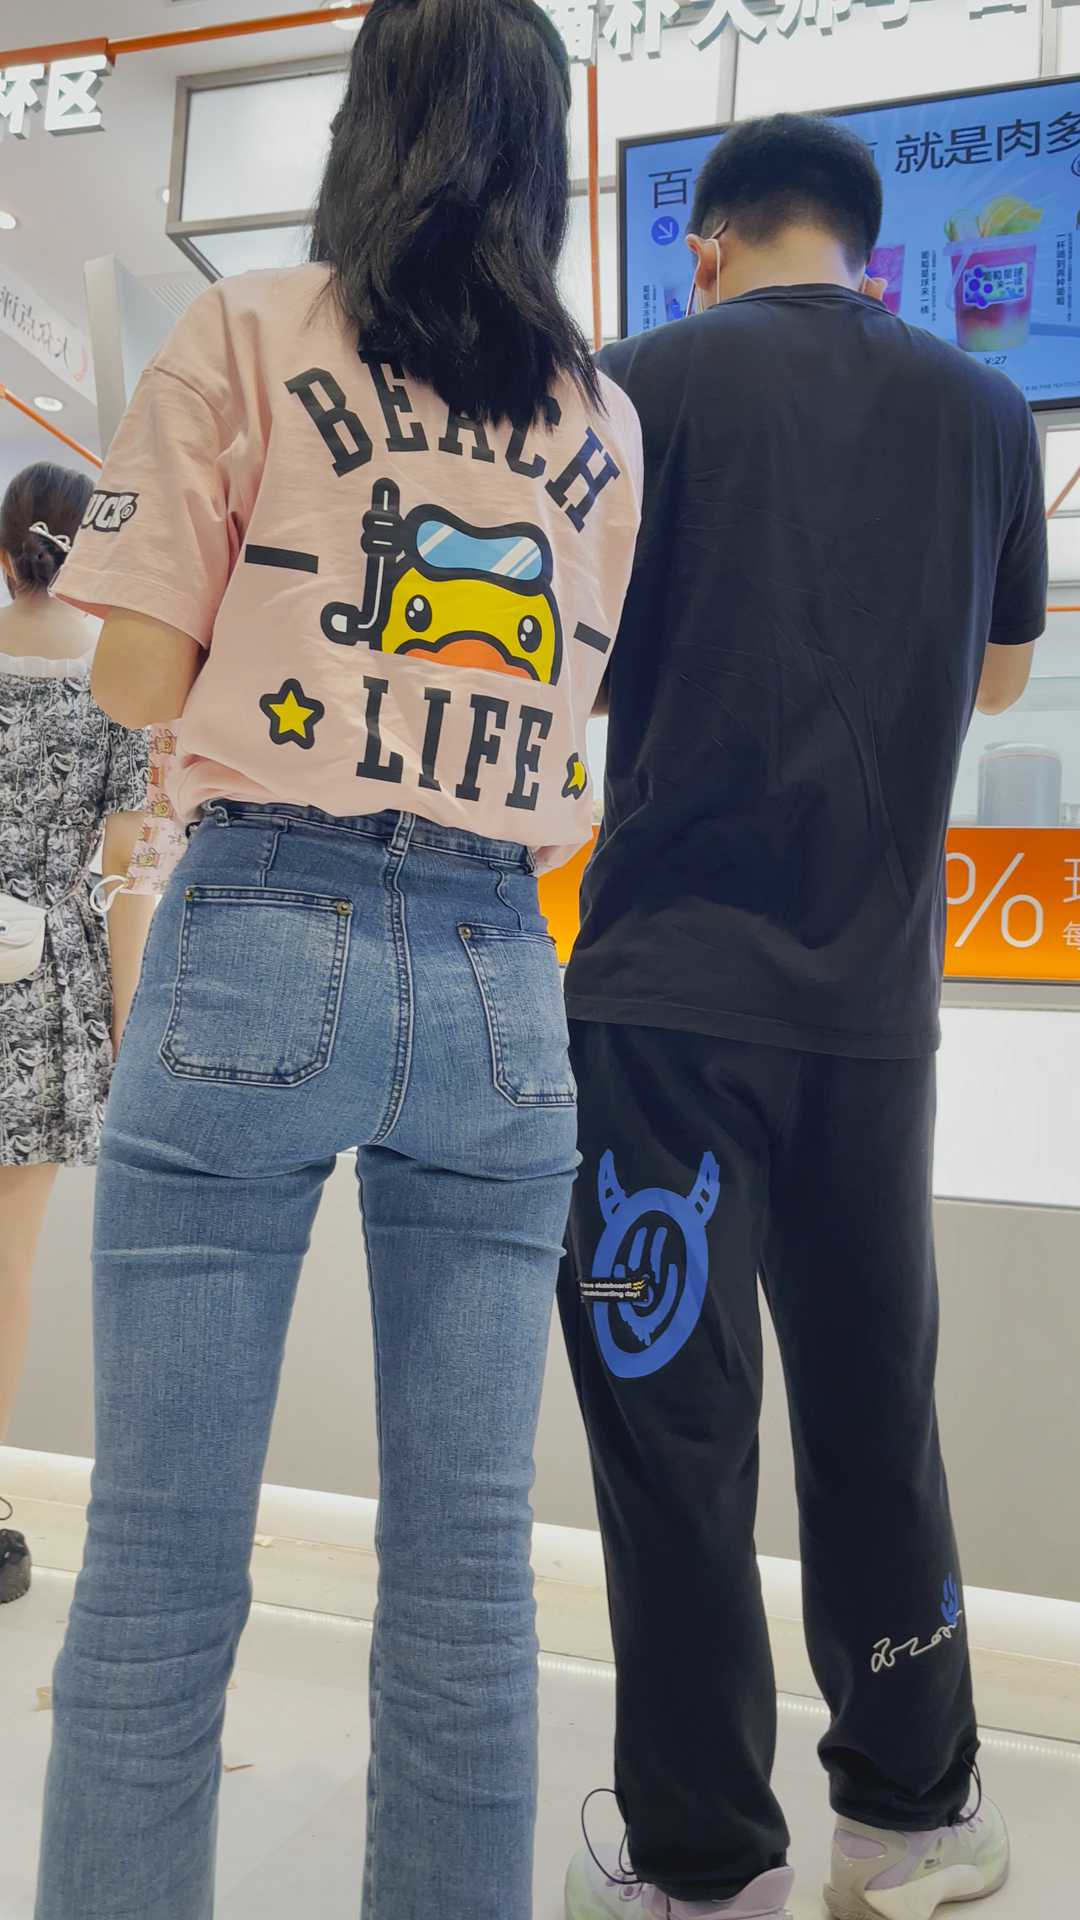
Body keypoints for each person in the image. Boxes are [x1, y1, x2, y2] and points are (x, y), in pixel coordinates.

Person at [33, 2, 641, 1915]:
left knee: (158, 1571)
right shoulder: (603, 418)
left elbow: (135, 678)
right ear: (545, 153)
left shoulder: (245, 332)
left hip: (258, 937)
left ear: (365, 122)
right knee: (467, 1581)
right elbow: (570, 735)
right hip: (498, 967)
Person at [560, 115, 1046, 1920]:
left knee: (671, 1433)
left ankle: (705, 1869)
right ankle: (910, 1819)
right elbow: (1003, 675)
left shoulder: (635, 386)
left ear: (706, 246)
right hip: (874, 1008)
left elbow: (566, 654)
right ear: (869, 247)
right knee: (871, 1415)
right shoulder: (987, 413)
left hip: (662, 1008)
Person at [0, 462, 152, 1607]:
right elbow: (124, 873)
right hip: (46, 980)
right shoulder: (119, 680)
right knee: (8, 1265)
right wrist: (123, 1023)